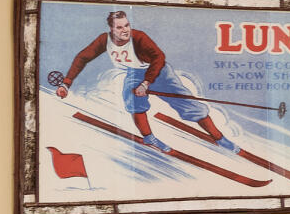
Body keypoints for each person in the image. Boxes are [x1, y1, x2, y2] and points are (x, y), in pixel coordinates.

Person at [52, 9, 242, 155]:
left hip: (159, 72)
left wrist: (147, 83)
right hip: (135, 74)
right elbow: (82, 57)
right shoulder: (104, 40)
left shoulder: (139, 37)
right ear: (111, 29)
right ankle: (149, 138)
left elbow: (159, 57)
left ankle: (219, 138)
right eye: (119, 27)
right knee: (133, 101)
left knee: (189, 104)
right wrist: (66, 83)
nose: (125, 30)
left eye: (126, 25)